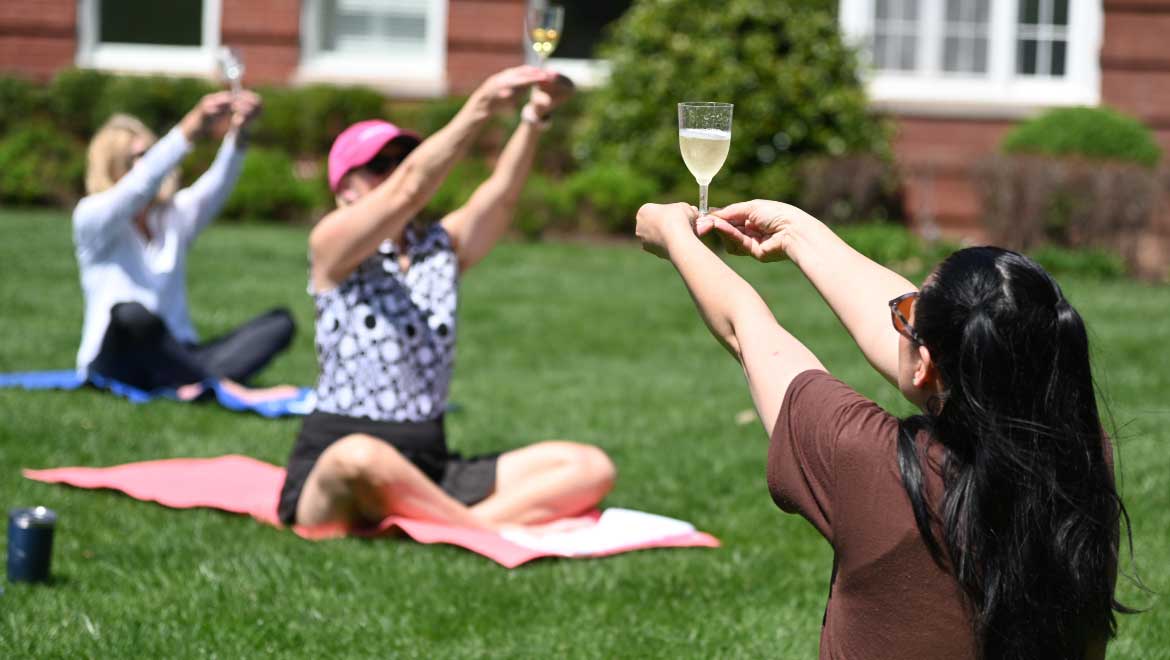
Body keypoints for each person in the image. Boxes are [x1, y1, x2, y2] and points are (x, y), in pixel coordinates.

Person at [635, 199, 1129, 659]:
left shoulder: (872, 464)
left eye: (910, 312)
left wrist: (675, 238)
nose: (899, 310)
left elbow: (746, 327)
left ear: (926, 364)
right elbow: (921, 342)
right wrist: (796, 232)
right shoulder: (1082, 462)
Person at [277, 66, 615, 531]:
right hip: (337, 467)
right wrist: (480, 106)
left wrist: (534, 116)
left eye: (404, 157)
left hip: (430, 465)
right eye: (380, 166)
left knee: (588, 466)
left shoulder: (438, 249)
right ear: (343, 189)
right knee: (358, 457)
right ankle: (479, 529)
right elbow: (412, 187)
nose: (395, 172)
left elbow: (500, 200)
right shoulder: (331, 248)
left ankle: (454, 523)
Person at [74, 91, 297, 403]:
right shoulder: (92, 217)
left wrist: (240, 130)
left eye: (149, 154)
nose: (148, 164)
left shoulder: (172, 215)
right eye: (137, 157)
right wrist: (193, 125)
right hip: (119, 361)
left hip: (179, 353)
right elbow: (141, 184)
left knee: (279, 323)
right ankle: (221, 386)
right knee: (132, 314)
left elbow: (218, 184)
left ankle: (190, 378)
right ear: (112, 166)